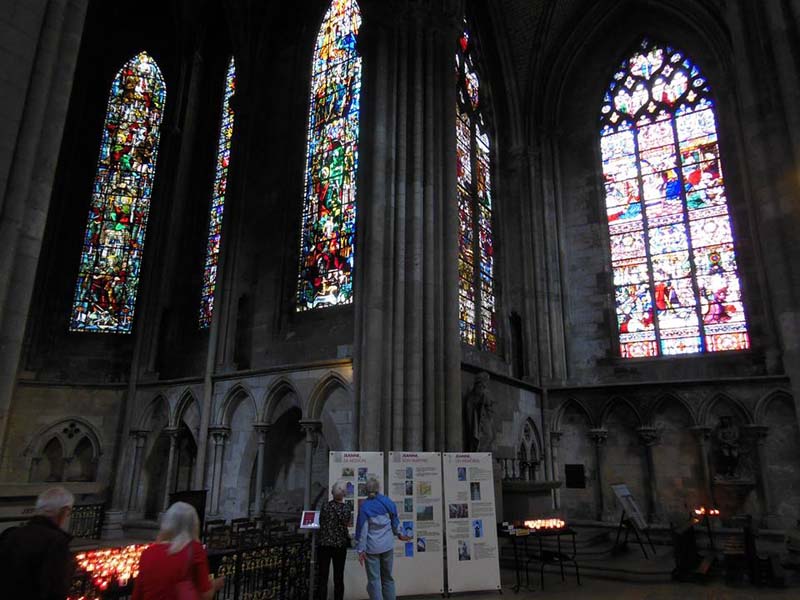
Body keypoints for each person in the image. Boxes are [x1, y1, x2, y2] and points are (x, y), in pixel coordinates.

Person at [132, 502, 224, 600]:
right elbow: (206, 594)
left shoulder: (148, 553)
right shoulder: (195, 549)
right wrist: (215, 584)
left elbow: (138, 594)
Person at [0, 486, 76, 600]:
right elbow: (56, 587)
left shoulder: (11, 534)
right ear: (64, 511)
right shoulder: (56, 542)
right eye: (68, 512)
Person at [354, 477, 412, 600]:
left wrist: (361, 550)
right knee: (388, 578)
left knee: (374, 581)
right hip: (387, 546)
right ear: (378, 488)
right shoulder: (387, 502)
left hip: (372, 548)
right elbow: (395, 521)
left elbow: (363, 531)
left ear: (366, 490)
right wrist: (400, 534)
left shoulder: (364, 507)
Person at [318, 481, 352, 600]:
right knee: (338, 576)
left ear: (332, 492)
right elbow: (346, 523)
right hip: (339, 546)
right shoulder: (346, 508)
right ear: (344, 494)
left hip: (324, 544)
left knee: (323, 576)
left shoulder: (325, 506)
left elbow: (321, 521)